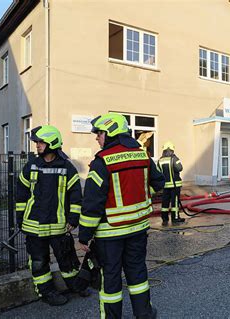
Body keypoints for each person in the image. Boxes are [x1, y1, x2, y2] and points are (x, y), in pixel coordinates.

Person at [78, 113, 164, 319]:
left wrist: (84, 235)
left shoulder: (102, 161)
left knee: (111, 279)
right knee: (138, 274)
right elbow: (159, 184)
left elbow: (92, 202)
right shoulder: (142, 155)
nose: (96, 138)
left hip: (110, 233)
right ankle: (144, 314)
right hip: (138, 229)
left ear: (110, 132)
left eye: (99, 133)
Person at [16, 125, 85, 306]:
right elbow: (21, 193)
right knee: (39, 261)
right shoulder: (31, 166)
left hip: (58, 224)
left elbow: (76, 195)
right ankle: (46, 292)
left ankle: (74, 285)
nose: (37, 145)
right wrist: (19, 217)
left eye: (41, 142)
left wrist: (73, 218)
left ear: (52, 143)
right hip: (34, 225)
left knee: (66, 256)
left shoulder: (66, 167)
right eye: (37, 142)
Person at [157, 141, 185, 226]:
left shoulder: (160, 160)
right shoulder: (174, 158)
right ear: (172, 150)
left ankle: (165, 218)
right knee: (175, 202)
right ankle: (175, 218)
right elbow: (180, 168)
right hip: (175, 185)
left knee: (165, 203)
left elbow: (158, 172)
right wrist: (176, 158)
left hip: (165, 186)